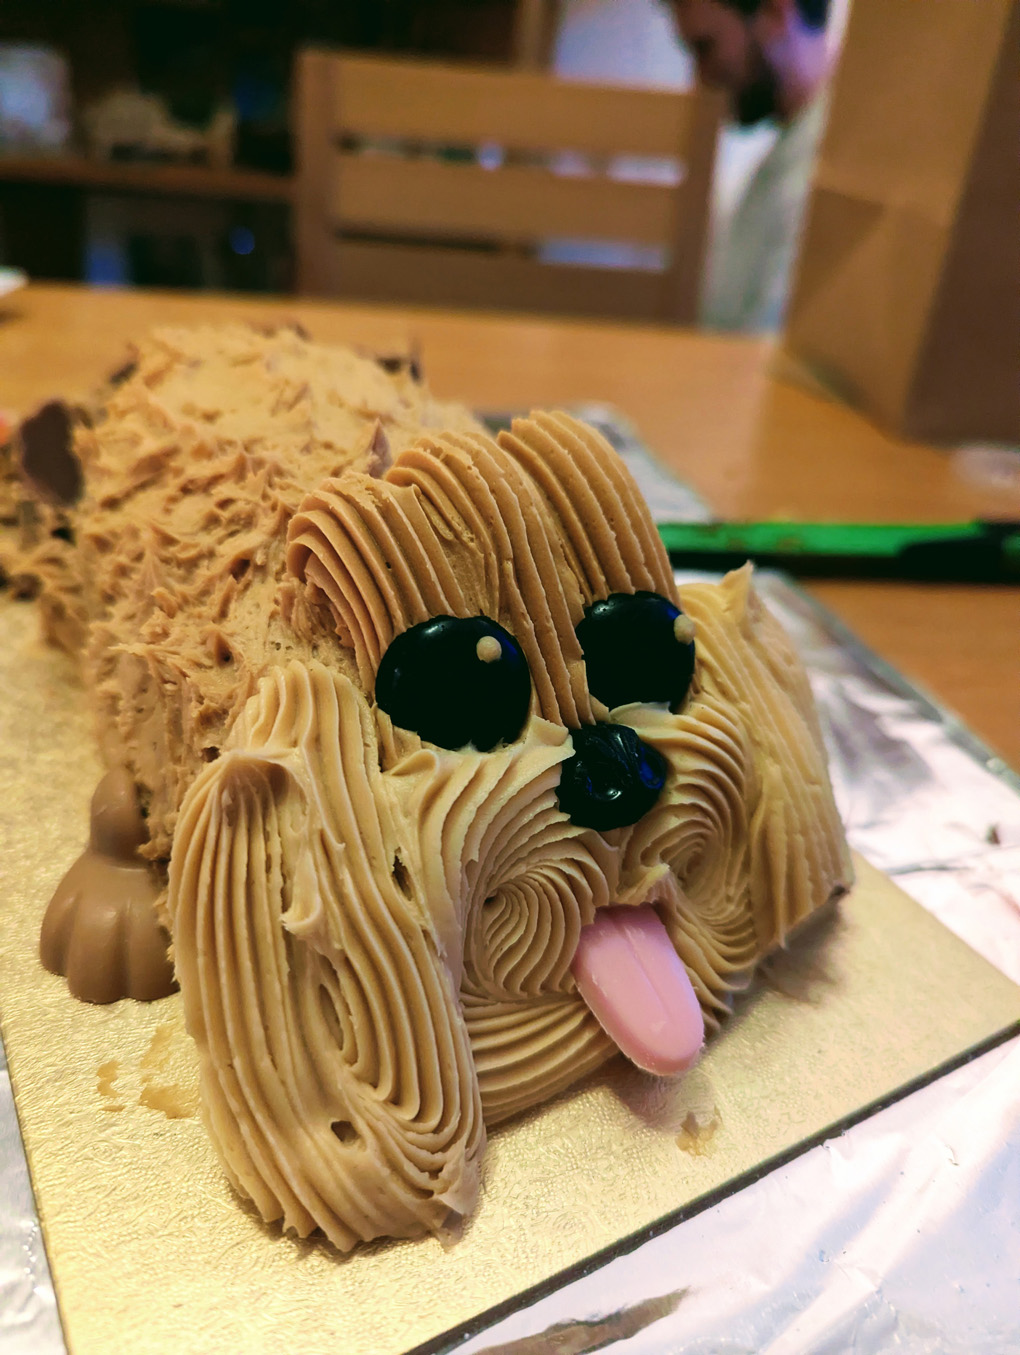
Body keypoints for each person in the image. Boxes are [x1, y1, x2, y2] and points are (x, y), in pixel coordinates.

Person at [669, 0, 833, 332]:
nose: (701, 78)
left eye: (706, 47)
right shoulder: (789, 155)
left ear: (775, 14)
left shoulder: (824, 175)